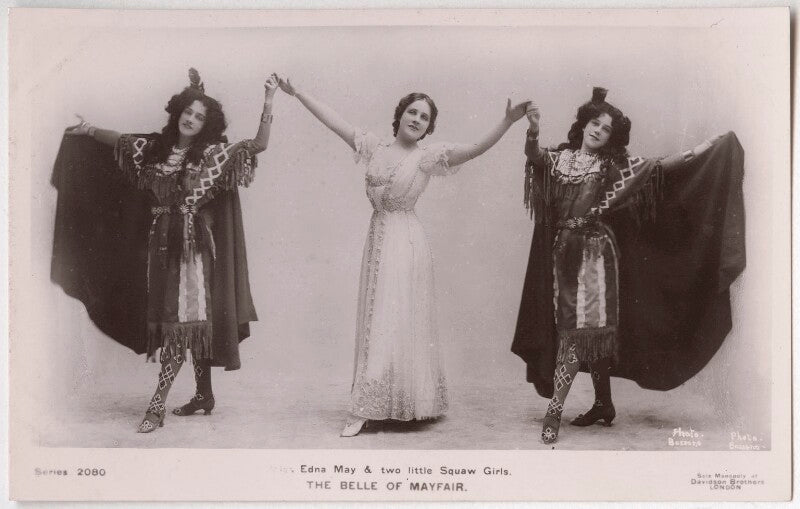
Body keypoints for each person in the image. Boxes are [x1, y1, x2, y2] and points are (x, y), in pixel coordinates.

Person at [273, 74, 530, 436]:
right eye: (412, 112)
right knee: (375, 317)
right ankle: (370, 402)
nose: (416, 120)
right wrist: (297, 92)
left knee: (397, 319)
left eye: (424, 118)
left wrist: (506, 121)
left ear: (429, 128)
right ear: (400, 114)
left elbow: (473, 149)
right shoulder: (375, 148)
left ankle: (404, 401)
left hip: (406, 242)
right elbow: (334, 122)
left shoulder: (428, 156)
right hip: (377, 236)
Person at [510, 87, 745, 444]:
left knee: (578, 332)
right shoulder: (560, 159)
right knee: (592, 332)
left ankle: (554, 411)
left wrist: (707, 147)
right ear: (583, 125)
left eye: (605, 129)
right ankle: (604, 404)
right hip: (563, 253)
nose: (598, 131)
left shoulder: (613, 168)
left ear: (611, 139)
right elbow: (534, 156)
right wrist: (533, 128)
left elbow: (660, 166)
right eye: (594, 123)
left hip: (595, 256)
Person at [61, 69, 278, 432]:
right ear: (178, 111)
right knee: (181, 321)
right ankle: (204, 395)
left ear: (207, 125)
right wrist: (88, 130)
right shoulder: (155, 150)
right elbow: (121, 141)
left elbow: (256, 145)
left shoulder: (211, 156)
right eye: (188, 112)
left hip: (192, 249)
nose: (191, 119)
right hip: (160, 247)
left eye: (199, 116)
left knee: (180, 324)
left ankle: (157, 405)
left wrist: (269, 101)